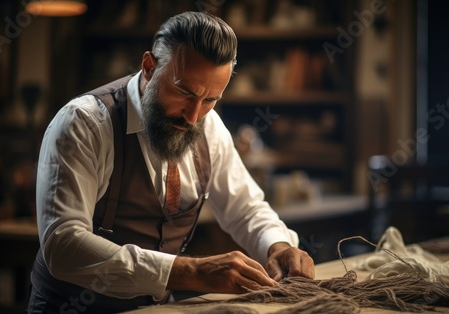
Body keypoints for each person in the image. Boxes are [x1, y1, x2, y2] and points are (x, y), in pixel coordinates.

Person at [27, 11, 314, 313]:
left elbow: (245, 208)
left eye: (210, 100)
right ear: (150, 67)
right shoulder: (84, 123)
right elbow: (63, 246)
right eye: (183, 91)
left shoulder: (209, 127)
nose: (192, 116)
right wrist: (190, 272)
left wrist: (278, 245)